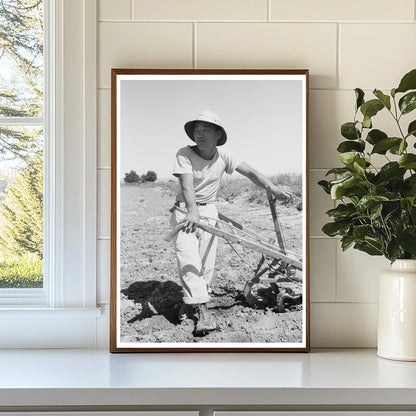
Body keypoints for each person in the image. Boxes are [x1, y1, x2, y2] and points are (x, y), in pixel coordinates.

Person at [170, 110, 292, 335]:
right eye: (197, 130)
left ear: (217, 134)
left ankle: (190, 307)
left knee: (206, 263)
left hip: (209, 211)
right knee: (188, 259)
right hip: (186, 213)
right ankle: (204, 312)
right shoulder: (184, 154)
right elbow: (187, 186)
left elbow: (251, 172)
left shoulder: (224, 156)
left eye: (206, 130)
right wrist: (192, 212)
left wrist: (271, 187)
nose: (200, 135)